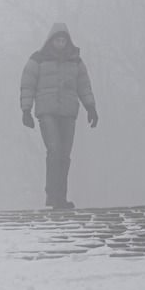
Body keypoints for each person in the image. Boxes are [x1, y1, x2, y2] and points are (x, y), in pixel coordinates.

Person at [20, 23, 98, 210]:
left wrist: (91, 107)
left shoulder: (75, 61)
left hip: (68, 112)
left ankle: (60, 196)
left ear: (67, 41)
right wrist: (26, 110)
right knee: (54, 150)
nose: (60, 43)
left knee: (64, 155)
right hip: (47, 111)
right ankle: (52, 194)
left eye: (63, 40)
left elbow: (84, 85)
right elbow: (28, 84)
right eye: (58, 40)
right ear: (51, 40)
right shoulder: (38, 59)